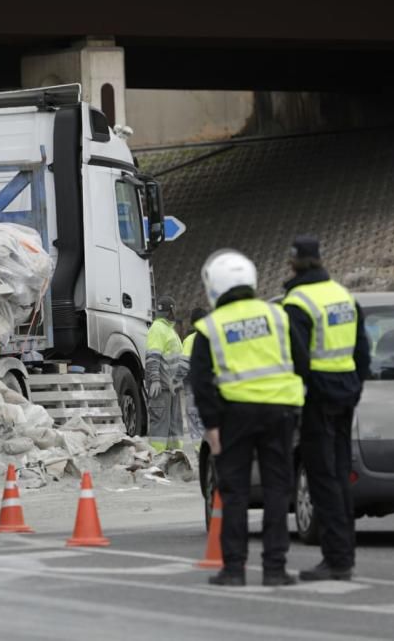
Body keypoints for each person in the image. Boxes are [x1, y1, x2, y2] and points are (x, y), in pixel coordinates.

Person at [189, 249, 308, 587]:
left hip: (234, 417)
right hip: (280, 414)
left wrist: (211, 426)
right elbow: (303, 362)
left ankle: (234, 569)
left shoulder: (210, 327)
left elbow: (201, 381)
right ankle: (275, 568)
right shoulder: (279, 316)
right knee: (276, 490)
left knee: (235, 492)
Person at [282, 235, 370, 581]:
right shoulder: (343, 296)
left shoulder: (298, 302)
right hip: (345, 393)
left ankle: (336, 559)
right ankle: (343, 554)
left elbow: (298, 360)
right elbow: (363, 351)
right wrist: (353, 386)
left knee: (323, 478)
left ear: (293, 263)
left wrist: (307, 394)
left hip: (318, 398)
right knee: (339, 474)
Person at [145, 296, 187, 454]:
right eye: (173, 309)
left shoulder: (169, 329)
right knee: (160, 425)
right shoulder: (157, 329)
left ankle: (175, 457)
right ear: (170, 310)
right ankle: (157, 457)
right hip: (161, 387)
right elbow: (153, 356)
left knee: (174, 424)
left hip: (171, 387)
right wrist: (155, 379)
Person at [182, 307, 208, 452]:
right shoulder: (215, 337)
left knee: (195, 421)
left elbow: (184, 366)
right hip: (211, 389)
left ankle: (201, 452)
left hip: (193, 389)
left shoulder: (190, 340)